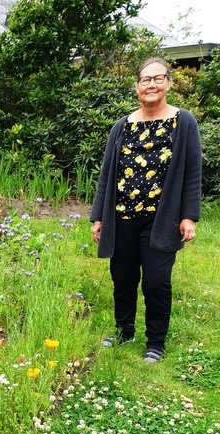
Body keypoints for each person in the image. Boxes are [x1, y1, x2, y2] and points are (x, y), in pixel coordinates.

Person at [90, 57, 202, 363]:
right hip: (122, 217)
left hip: (160, 219)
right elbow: (107, 175)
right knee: (122, 278)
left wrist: (189, 216)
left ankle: (155, 343)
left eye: (157, 78)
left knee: (156, 281)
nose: (151, 85)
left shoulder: (183, 122)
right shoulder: (122, 126)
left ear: (168, 82)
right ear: (137, 86)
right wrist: (99, 216)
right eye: (145, 80)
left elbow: (192, 172)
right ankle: (124, 330)